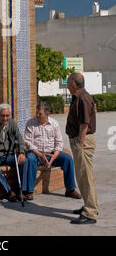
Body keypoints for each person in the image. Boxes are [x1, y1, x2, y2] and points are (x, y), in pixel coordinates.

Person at [24, 101, 81, 201]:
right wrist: (40, 155)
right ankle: (29, 191)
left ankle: (70, 189)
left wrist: (54, 156)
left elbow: (59, 142)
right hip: (36, 154)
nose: (37, 115)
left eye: (40, 113)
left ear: (47, 114)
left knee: (68, 159)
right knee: (30, 159)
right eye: (36, 113)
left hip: (51, 154)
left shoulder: (54, 123)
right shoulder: (31, 123)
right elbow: (28, 143)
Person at [66, 72, 98, 224]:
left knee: (86, 177)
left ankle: (90, 213)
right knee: (81, 176)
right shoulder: (78, 97)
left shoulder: (84, 98)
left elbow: (84, 123)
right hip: (79, 141)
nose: (66, 85)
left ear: (73, 84)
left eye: (67, 82)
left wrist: (80, 141)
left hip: (82, 142)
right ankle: (88, 205)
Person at [0, 103, 27, 202]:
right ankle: (9, 191)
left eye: (7, 116)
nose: (5, 118)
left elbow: (19, 138)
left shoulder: (12, 123)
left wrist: (22, 152)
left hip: (9, 155)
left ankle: (21, 191)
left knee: (24, 161)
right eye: (3, 116)